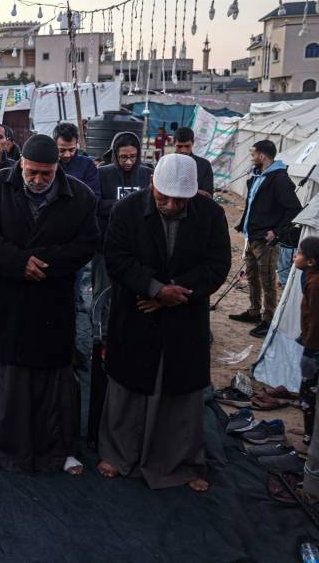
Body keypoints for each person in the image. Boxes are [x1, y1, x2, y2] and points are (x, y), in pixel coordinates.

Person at [98, 154, 230, 491]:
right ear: (152, 184)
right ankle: (119, 455)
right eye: (163, 198)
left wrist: (176, 294)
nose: (171, 206)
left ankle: (180, 462)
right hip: (137, 311)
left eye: (179, 200)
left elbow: (217, 265)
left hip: (185, 316)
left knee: (180, 393)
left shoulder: (211, 215)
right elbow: (116, 259)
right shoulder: (126, 210)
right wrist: (155, 290)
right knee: (128, 387)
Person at [0, 134, 98, 475]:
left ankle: (59, 448)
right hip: (10, 297)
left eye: (47, 174)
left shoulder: (80, 195)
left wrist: (43, 262)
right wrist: (18, 262)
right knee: (5, 372)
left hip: (53, 299)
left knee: (54, 375)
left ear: (58, 168)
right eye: (32, 173)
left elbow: (86, 244)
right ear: (20, 164)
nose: (39, 180)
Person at [232, 139, 303, 338]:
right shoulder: (258, 176)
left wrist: (277, 232)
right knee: (252, 276)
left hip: (266, 241)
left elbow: (294, 209)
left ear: (262, 156)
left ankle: (268, 319)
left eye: (253, 154)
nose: (252, 157)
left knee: (268, 281)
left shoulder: (279, 179)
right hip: (253, 236)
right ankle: (254, 312)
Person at [93, 132, 153, 299]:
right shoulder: (102, 174)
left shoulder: (147, 174)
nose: (128, 162)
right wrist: (129, 206)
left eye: (133, 157)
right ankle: (101, 326)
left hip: (139, 246)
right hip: (105, 245)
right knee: (102, 293)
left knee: (133, 293)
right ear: (115, 155)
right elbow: (96, 205)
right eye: (123, 157)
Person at [296, 237, 319, 449]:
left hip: (314, 349)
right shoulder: (309, 278)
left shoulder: (315, 284)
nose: (296, 256)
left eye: (300, 253)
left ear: (310, 261)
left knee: (308, 393)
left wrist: (309, 350)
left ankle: (310, 438)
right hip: (311, 343)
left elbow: (315, 319)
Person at [52, 122, 100, 197]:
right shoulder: (48, 164)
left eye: (71, 150)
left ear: (77, 143)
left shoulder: (87, 165)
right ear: (54, 144)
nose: (67, 155)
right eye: (62, 150)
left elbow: (95, 196)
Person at [172, 127, 214, 196]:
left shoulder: (204, 165)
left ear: (193, 143)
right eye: (179, 146)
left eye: (187, 146)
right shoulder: (165, 164)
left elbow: (207, 195)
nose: (183, 150)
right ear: (174, 144)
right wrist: (196, 192)